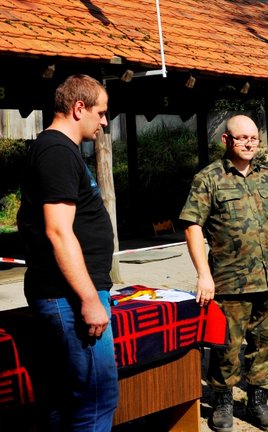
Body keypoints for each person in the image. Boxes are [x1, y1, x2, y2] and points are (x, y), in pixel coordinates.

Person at [179, 115, 268, 432]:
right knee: (226, 348)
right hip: (229, 282)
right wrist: (203, 275)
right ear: (226, 140)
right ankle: (223, 402)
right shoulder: (209, 178)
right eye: (242, 137)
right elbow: (192, 226)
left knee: (267, 345)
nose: (249, 143)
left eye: (253, 138)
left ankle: (258, 401)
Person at [17, 74, 118, 431]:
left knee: (67, 400)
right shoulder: (57, 151)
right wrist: (89, 299)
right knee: (96, 398)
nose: (104, 122)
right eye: (101, 113)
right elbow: (58, 231)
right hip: (68, 296)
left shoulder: (60, 150)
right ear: (79, 108)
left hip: (67, 294)